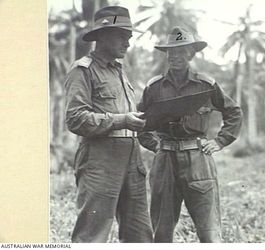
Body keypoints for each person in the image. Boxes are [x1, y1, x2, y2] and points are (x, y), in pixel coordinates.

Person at [138, 26, 243, 242]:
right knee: (161, 231)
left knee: (209, 231)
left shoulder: (205, 85)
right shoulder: (154, 87)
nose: (175, 56)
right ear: (166, 55)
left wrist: (220, 141)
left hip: (198, 159)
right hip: (165, 160)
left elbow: (233, 111)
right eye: (171, 52)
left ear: (191, 54)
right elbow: (140, 120)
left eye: (181, 51)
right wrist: (154, 145)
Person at [64, 6, 153, 243]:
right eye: (122, 37)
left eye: (129, 37)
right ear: (102, 36)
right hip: (100, 160)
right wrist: (122, 120)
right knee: (92, 235)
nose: (128, 43)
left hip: (132, 159)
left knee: (140, 235)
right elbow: (75, 118)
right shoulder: (83, 70)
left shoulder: (119, 71)